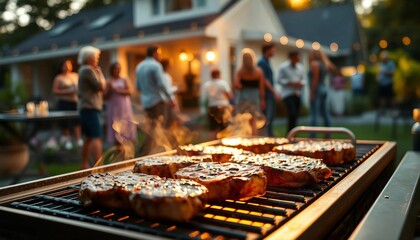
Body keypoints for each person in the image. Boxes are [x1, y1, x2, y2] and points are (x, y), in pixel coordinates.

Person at [136, 45, 174, 154]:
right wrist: (170, 98)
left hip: (145, 101)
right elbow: (161, 84)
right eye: (159, 53)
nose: (160, 56)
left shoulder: (139, 66)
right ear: (154, 53)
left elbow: (138, 87)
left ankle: (148, 151)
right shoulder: (156, 66)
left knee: (151, 127)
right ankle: (147, 151)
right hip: (157, 101)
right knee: (157, 128)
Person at [77, 46, 106, 169]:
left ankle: (84, 165)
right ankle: (99, 166)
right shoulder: (88, 70)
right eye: (96, 57)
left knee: (88, 137)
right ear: (89, 58)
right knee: (96, 136)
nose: (97, 59)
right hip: (90, 107)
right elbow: (101, 86)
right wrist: (100, 73)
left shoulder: (84, 69)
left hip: (87, 107)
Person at [233, 48, 266, 135]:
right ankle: (253, 137)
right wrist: (262, 100)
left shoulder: (240, 71)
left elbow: (236, 85)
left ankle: (244, 138)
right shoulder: (259, 71)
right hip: (254, 98)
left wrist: (242, 86)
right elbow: (262, 87)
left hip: (243, 97)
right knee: (253, 120)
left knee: (243, 119)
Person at [52, 59, 82, 149]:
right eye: (65, 65)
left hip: (75, 101)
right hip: (64, 102)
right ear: (61, 67)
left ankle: (78, 139)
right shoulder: (59, 78)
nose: (67, 67)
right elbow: (55, 91)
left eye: (69, 65)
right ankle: (67, 139)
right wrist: (68, 91)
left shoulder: (75, 76)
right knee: (65, 121)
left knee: (77, 120)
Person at [104, 62, 136, 148]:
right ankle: (117, 146)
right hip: (113, 107)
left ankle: (128, 147)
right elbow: (105, 96)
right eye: (116, 69)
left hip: (124, 106)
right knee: (115, 125)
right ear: (112, 70)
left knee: (125, 123)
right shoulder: (109, 81)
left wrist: (116, 89)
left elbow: (130, 91)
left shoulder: (124, 79)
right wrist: (110, 89)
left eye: (119, 68)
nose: (118, 70)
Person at [278, 51, 306, 134]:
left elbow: (304, 80)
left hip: (297, 93)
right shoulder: (283, 67)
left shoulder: (300, 67)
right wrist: (289, 83)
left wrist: (300, 83)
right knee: (292, 113)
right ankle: (289, 133)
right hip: (287, 93)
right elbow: (279, 80)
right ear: (291, 57)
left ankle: (293, 133)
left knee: (296, 115)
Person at [202, 68, 233, 139]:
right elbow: (229, 95)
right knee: (224, 129)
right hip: (223, 106)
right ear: (219, 74)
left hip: (212, 106)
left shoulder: (207, 85)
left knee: (213, 128)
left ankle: (212, 145)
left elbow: (205, 97)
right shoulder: (222, 83)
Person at [257, 44, 281, 137]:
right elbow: (264, 80)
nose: (274, 52)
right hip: (266, 95)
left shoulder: (266, 62)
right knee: (267, 119)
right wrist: (274, 92)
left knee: (270, 118)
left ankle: (270, 137)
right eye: (272, 50)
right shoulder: (262, 62)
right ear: (267, 50)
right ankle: (267, 138)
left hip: (269, 95)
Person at [308, 50, 331, 128]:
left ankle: (312, 135)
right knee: (325, 112)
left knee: (314, 114)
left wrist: (312, 93)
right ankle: (328, 133)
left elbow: (315, 80)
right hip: (324, 88)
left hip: (317, 89)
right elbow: (333, 68)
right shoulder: (324, 64)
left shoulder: (315, 64)